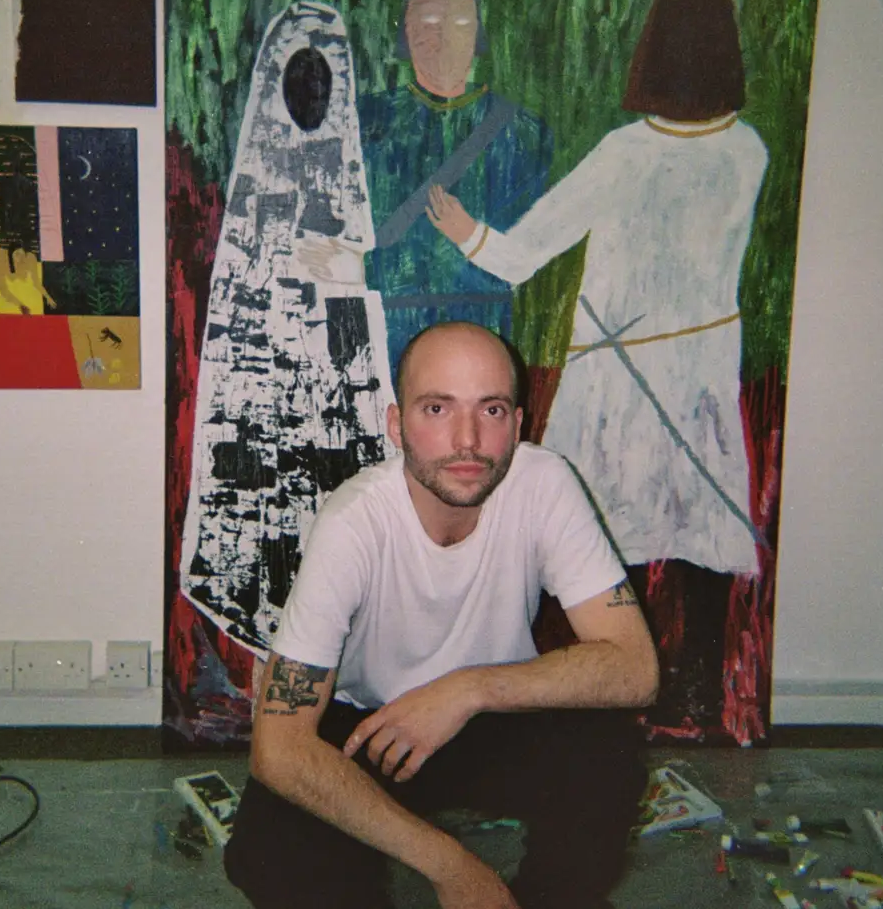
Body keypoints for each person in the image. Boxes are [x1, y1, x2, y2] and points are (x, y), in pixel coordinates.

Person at [224, 321, 659, 909]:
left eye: (493, 410)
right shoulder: (356, 520)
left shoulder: (544, 483)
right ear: (397, 425)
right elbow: (277, 747)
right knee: (270, 850)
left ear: (519, 423)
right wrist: (452, 868)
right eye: (437, 408)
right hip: (367, 728)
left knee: (605, 755)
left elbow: (636, 670)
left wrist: (466, 689)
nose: (469, 441)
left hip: (489, 717)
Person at [425, 0, 770, 576]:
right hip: (702, 368)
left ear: (654, 49)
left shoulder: (626, 154)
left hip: (619, 376)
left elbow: (521, 257)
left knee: (592, 542)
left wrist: (464, 231)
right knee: (696, 536)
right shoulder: (748, 151)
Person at [180, 0, 395, 664]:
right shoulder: (255, 183)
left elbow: (358, 318)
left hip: (331, 381)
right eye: (300, 79)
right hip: (266, 383)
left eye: (324, 81)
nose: (312, 96)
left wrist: (347, 271)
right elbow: (239, 310)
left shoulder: (353, 175)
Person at [356, 0, 553, 374]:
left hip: (481, 323)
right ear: (405, 32)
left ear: (478, 32)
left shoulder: (524, 132)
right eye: (428, 20)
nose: (444, 35)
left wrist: (469, 235)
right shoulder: (365, 121)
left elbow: (525, 248)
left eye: (461, 21)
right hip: (384, 319)